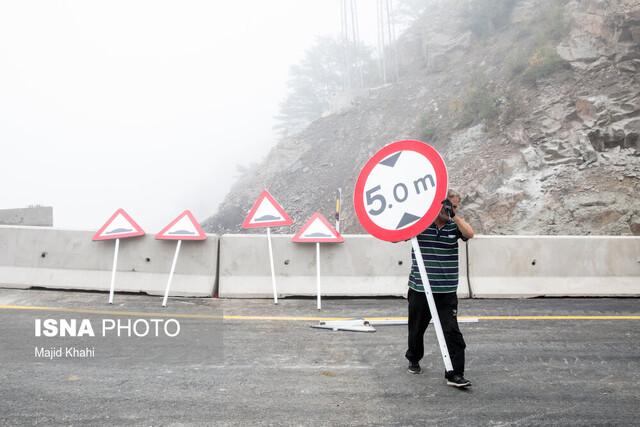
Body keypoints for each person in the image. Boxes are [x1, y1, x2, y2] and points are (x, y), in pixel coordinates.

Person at [405, 189, 475, 388]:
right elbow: (396, 236)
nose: (449, 209)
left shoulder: (454, 227)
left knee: (452, 332)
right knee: (417, 329)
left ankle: (455, 373)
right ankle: (413, 358)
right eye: (447, 205)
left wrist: (455, 216)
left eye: (453, 206)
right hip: (420, 288)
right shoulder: (419, 226)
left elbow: (470, 233)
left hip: (446, 291)